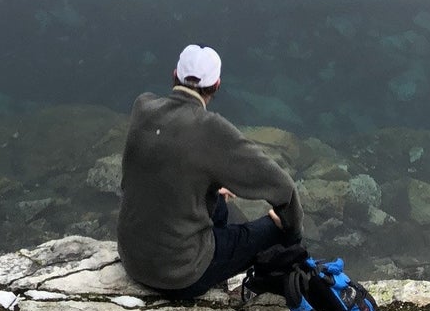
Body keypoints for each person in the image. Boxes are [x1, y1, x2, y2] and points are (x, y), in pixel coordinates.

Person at [116, 43, 303, 298]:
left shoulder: (143, 107)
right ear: (216, 86)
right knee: (276, 230)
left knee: (219, 202)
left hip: (132, 259)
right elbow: (284, 189)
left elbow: (168, 164)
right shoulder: (213, 130)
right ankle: (258, 285)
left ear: (174, 76)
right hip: (181, 275)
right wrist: (292, 232)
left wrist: (212, 183)